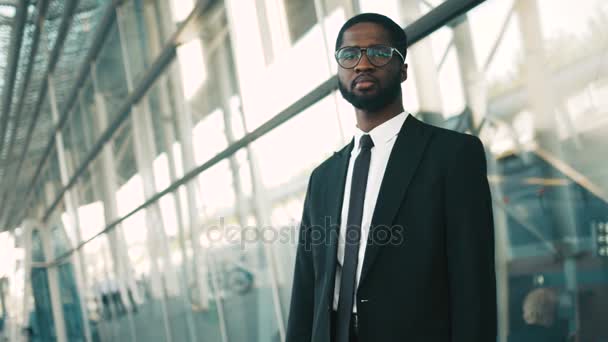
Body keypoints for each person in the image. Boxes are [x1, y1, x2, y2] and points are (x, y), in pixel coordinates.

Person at [286, 13, 497, 342]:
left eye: (379, 52)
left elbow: (474, 283)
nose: (363, 64)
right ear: (340, 69)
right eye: (349, 55)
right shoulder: (323, 178)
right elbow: (306, 287)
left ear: (403, 69)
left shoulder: (452, 155)